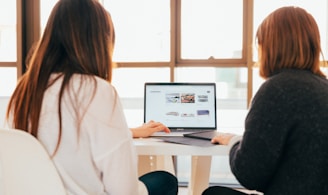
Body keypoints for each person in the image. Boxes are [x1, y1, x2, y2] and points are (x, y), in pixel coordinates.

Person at [6, 0, 178, 194]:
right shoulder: (97, 91)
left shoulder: (24, 91)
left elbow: (64, 138)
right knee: (165, 181)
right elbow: (124, 190)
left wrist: (128, 132)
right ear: (98, 42)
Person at [203, 6, 328, 195]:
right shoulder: (323, 86)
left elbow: (249, 174)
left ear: (270, 47)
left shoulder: (277, 89)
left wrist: (234, 142)